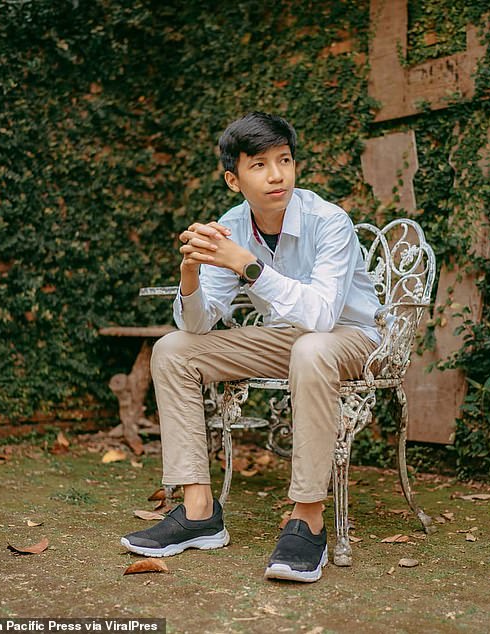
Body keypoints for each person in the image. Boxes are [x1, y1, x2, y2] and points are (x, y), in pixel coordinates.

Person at [121, 112, 380, 583]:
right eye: (259, 164)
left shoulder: (330, 221)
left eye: (284, 160)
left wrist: (248, 265)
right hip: (288, 340)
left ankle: (307, 516)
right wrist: (191, 271)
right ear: (232, 178)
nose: (276, 174)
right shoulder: (232, 225)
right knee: (174, 349)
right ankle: (199, 510)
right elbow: (198, 325)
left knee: (311, 348)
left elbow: (322, 317)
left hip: (351, 338)